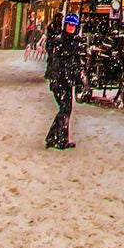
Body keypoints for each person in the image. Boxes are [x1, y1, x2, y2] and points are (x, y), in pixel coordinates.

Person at [43, 12, 81, 149]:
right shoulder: (59, 42)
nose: (71, 27)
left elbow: (76, 63)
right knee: (65, 109)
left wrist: (77, 80)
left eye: (73, 25)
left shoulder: (75, 42)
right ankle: (58, 139)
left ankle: (56, 137)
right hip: (60, 81)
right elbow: (54, 62)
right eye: (69, 24)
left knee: (66, 109)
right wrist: (54, 77)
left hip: (68, 80)